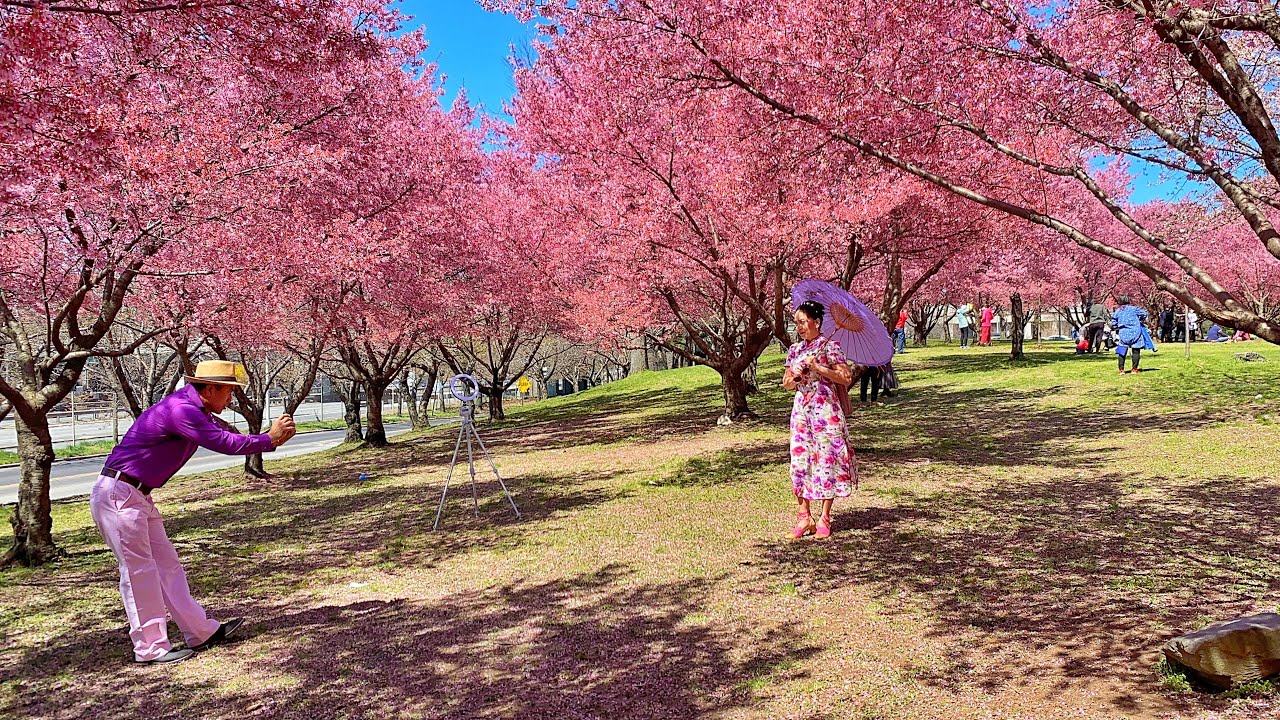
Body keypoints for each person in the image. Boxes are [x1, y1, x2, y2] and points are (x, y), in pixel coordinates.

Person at [89, 360, 298, 664]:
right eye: (228, 392)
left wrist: (269, 439)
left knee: (167, 565)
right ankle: (150, 648)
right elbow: (223, 442)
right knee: (139, 571)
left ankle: (200, 631)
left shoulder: (196, 409)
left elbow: (227, 433)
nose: (231, 399)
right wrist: (269, 439)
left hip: (136, 494)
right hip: (119, 493)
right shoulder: (182, 410)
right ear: (210, 388)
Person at [783, 301, 856, 541]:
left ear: (817, 322)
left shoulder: (831, 346)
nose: (800, 328)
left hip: (825, 411)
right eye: (797, 324)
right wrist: (794, 378)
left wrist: (819, 367)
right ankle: (804, 515)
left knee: (826, 459)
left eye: (803, 322)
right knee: (799, 459)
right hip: (802, 411)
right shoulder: (794, 350)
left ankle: (825, 517)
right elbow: (785, 384)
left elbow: (845, 378)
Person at [1111, 295, 1149, 374]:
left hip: (1123, 333)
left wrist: (1117, 327)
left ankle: (1121, 370)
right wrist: (1140, 320)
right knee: (1136, 351)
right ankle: (1134, 369)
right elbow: (1144, 313)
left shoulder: (1117, 311)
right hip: (1135, 332)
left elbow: (1113, 323)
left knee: (1122, 351)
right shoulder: (1134, 309)